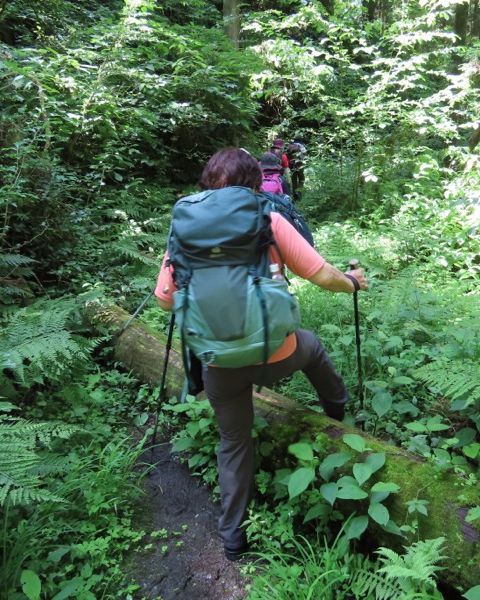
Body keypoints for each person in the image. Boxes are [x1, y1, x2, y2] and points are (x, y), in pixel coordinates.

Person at [154, 148, 368, 562]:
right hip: (278, 351)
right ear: (256, 184)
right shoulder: (266, 218)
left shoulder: (183, 231)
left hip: (220, 364)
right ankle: (336, 408)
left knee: (233, 442)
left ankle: (232, 535)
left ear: (206, 184)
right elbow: (322, 275)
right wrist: (353, 283)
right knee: (312, 346)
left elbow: (166, 301)